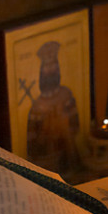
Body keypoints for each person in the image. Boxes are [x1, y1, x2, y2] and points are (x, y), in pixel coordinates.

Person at [27, 41, 80, 174]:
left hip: (69, 158)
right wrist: (46, 130)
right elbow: (32, 146)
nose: (50, 69)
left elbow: (77, 127)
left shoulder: (66, 95)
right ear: (41, 71)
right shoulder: (37, 106)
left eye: (54, 65)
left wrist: (64, 126)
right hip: (48, 163)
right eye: (47, 66)